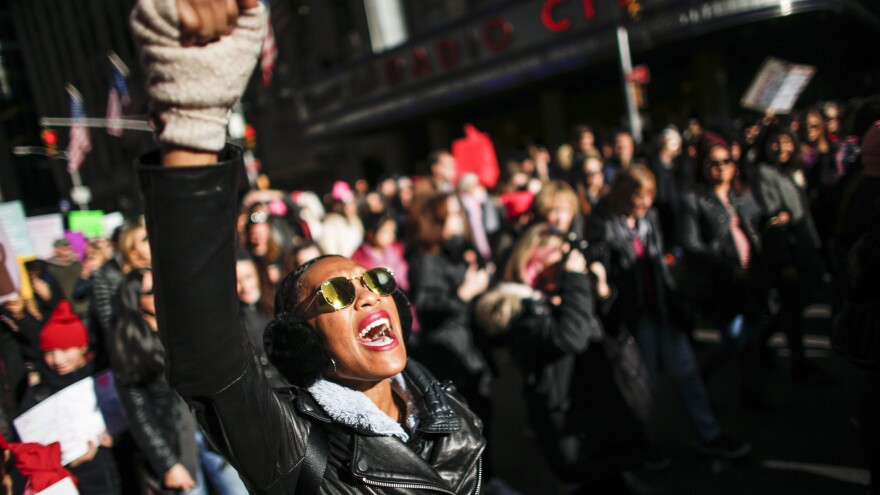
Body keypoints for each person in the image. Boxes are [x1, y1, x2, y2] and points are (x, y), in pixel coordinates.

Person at [130, 1, 486, 493]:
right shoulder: (294, 446)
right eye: (337, 294)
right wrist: (194, 116)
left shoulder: (446, 405)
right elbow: (208, 359)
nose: (367, 296)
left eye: (376, 282)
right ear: (304, 341)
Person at [594, 165, 751, 461]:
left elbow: (658, 263)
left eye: (648, 197)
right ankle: (644, 444)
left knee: (687, 373)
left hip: (663, 310)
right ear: (622, 195)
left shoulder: (649, 219)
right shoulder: (604, 225)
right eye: (638, 197)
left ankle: (709, 434)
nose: (644, 204)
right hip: (634, 317)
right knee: (644, 384)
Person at [475, 224, 643, 493]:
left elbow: (612, 328)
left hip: (601, 408)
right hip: (569, 420)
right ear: (534, 261)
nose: (564, 263)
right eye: (557, 256)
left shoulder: (563, 292)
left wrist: (602, 292)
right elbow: (571, 337)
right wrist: (575, 279)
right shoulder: (518, 305)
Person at [680, 139, 765, 408]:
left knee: (750, 340)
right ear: (702, 167)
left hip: (750, 277)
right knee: (735, 340)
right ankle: (696, 379)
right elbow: (691, 245)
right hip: (721, 283)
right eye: (712, 163)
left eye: (725, 161)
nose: (720, 168)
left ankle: (752, 394)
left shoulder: (741, 196)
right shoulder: (694, 200)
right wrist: (728, 270)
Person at [19, 300, 120, 495]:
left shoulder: (104, 380)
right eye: (49, 352)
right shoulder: (39, 394)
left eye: (65, 350)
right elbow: (30, 452)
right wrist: (71, 462)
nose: (57, 360)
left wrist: (118, 438)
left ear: (83, 347)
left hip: (121, 474)